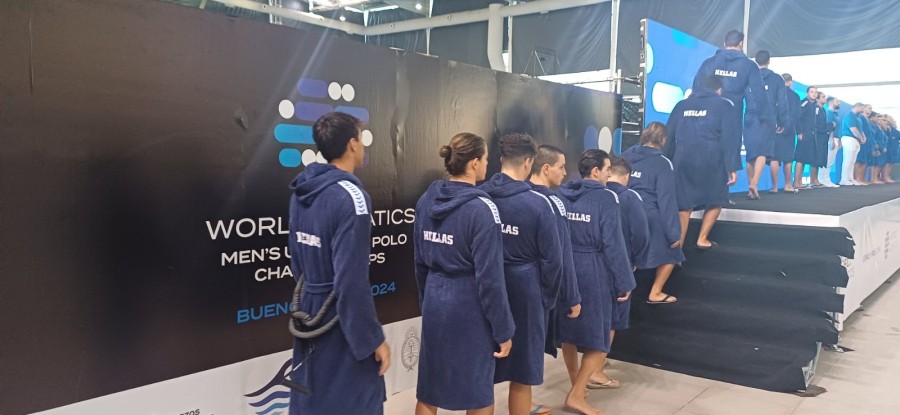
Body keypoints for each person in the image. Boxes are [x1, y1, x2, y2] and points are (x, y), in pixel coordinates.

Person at [287, 112, 391, 415]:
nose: (363, 146)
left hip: (310, 310)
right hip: (339, 320)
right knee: (354, 404)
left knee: (315, 400)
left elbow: (296, 259)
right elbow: (351, 282)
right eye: (361, 138)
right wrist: (373, 340)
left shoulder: (301, 190)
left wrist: (314, 295)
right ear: (352, 144)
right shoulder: (352, 197)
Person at [414, 133, 514, 415]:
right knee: (478, 392)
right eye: (485, 159)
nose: (487, 165)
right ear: (473, 163)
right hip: (469, 307)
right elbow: (490, 280)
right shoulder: (482, 209)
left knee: (430, 388)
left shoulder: (425, 200)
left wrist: (426, 303)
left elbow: (419, 262)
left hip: (434, 300)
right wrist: (503, 330)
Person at [478, 133, 562, 415]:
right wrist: (546, 299)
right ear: (528, 162)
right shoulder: (538, 204)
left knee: (484, 369)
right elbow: (553, 261)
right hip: (527, 291)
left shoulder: (481, 196)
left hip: (484, 288)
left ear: (501, 159)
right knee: (523, 371)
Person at [557, 149, 634, 415]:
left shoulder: (562, 194)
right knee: (600, 336)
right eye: (608, 169)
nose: (610, 174)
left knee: (568, 332)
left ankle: (575, 383)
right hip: (592, 269)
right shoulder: (606, 197)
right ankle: (577, 394)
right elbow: (613, 243)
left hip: (565, 266)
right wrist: (624, 281)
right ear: (596, 171)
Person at [529, 144, 582, 415]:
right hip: (537, 290)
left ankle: (523, 402)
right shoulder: (552, 203)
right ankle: (521, 404)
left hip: (510, 288)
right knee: (528, 351)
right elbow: (562, 255)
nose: (565, 172)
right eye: (561, 167)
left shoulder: (509, 195)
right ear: (546, 168)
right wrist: (571, 296)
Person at [588, 156, 649, 389]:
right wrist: (635, 262)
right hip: (618, 264)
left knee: (596, 315)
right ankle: (595, 371)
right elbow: (641, 234)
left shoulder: (592, 195)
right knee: (611, 318)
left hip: (590, 263)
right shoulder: (629, 197)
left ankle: (591, 366)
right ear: (627, 176)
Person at [663, 76, 741, 253]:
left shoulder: (681, 105)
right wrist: (732, 166)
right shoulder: (724, 105)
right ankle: (702, 238)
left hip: (682, 160)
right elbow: (730, 138)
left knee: (684, 205)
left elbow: (669, 136)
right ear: (719, 90)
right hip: (711, 160)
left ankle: (677, 250)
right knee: (716, 199)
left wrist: (665, 161)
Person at [622, 123, 685, 305]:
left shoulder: (625, 156)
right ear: (663, 140)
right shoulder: (663, 163)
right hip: (648, 214)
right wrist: (674, 234)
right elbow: (666, 200)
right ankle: (655, 292)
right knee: (673, 251)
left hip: (623, 211)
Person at [693, 30, 770, 174]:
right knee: (728, 155)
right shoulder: (749, 65)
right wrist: (765, 118)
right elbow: (759, 95)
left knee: (706, 150)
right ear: (741, 44)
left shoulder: (709, 63)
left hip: (707, 115)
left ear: (724, 44)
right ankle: (724, 184)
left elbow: (696, 88)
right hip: (732, 115)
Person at [743, 50, 786, 199]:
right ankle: (754, 184)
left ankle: (750, 189)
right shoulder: (777, 79)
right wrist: (782, 121)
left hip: (749, 116)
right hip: (767, 117)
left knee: (750, 154)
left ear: (756, 61)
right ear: (769, 61)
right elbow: (782, 102)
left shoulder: (748, 76)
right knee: (762, 152)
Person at [770, 73, 801, 193]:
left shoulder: (774, 93)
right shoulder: (795, 96)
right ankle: (788, 185)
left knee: (774, 158)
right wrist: (787, 126)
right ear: (790, 82)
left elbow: (771, 110)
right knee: (788, 159)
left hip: (775, 129)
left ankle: (774, 187)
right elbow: (796, 115)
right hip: (789, 130)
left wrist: (775, 125)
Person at [792, 86, 822, 189]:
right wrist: (799, 132)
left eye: (815, 92)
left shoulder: (813, 105)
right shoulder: (804, 103)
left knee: (804, 158)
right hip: (804, 134)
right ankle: (796, 182)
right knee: (800, 158)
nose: (814, 94)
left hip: (810, 134)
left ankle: (800, 182)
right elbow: (798, 117)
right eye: (812, 92)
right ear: (807, 93)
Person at [806, 90, 832, 188]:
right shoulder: (816, 108)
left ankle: (816, 179)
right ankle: (812, 180)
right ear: (818, 99)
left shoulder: (823, 109)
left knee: (820, 157)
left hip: (823, 136)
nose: (825, 99)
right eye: (823, 97)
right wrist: (829, 126)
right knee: (815, 158)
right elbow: (816, 124)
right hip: (817, 136)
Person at [838, 103, 867, 186]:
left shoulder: (858, 118)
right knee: (848, 159)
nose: (862, 111)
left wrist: (863, 137)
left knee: (852, 161)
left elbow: (860, 130)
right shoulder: (849, 115)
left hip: (856, 140)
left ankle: (850, 178)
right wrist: (861, 138)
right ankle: (844, 179)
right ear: (857, 107)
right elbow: (853, 129)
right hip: (849, 139)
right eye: (862, 109)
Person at [818, 96, 842, 187]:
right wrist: (831, 140)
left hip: (836, 138)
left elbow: (838, 128)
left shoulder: (835, 114)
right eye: (837, 101)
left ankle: (826, 179)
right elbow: (829, 127)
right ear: (831, 102)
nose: (839, 103)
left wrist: (839, 140)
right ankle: (823, 179)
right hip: (831, 138)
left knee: (831, 161)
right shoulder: (829, 113)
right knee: (827, 160)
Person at [854, 105, 874, 185]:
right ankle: (857, 178)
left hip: (867, 143)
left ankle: (862, 178)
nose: (870, 110)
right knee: (859, 160)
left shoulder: (867, 120)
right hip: (862, 141)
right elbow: (860, 130)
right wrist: (861, 138)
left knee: (865, 161)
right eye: (869, 108)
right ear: (864, 109)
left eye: (871, 108)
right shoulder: (861, 118)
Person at [868, 115, 889, 184]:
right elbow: (874, 137)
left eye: (881, 120)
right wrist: (877, 146)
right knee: (874, 163)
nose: (880, 121)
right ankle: (872, 179)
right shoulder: (873, 127)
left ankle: (875, 178)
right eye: (879, 119)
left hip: (881, 148)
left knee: (877, 163)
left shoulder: (881, 129)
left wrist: (884, 147)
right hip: (876, 147)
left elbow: (884, 139)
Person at [886, 115, 899, 183]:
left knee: (890, 163)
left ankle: (887, 176)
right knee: (887, 163)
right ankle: (885, 177)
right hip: (888, 148)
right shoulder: (887, 129)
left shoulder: (894, 130)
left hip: (894, 148)